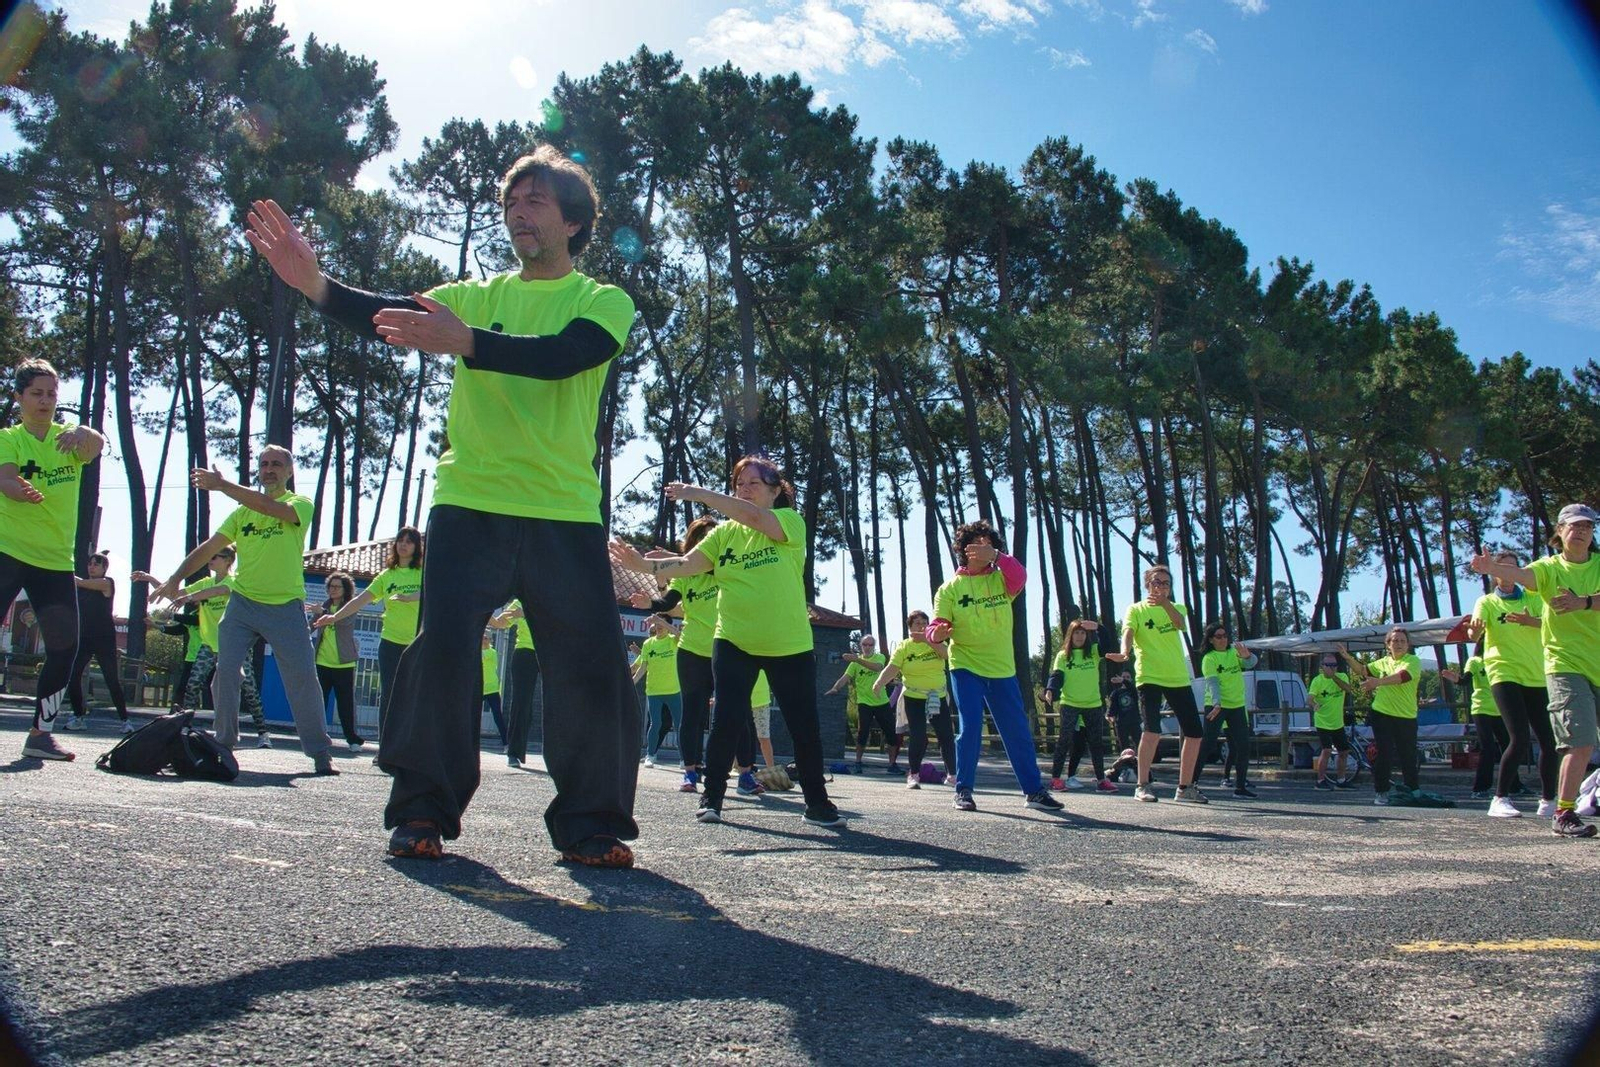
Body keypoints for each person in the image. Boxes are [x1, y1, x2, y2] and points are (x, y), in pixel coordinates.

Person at [247, 146, 640, 866]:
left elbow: (562, 355)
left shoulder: (602, 300)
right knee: (442, 653)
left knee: (589, 664)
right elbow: (386, 315)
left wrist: (469, 344)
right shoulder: (475, 294)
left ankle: (591, 822)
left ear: (575, 220)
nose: (519, 213)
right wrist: (316, 285)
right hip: (470, 502)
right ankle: (422, 811)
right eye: (511, 204)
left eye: (537, 202)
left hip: (564, 511)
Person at [609, 455, 842, 828]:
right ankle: (712, 797)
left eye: (753, 483)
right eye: (739, 484)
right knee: (726, 721)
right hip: (733, 640)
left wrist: (696, 493)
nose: (744, 490)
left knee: (804, 727)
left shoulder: (788, 522)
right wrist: (644, 567)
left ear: (775, 490)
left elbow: (753, 517)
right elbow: (687, 564)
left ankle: (817, 804)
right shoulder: (723, 534)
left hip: (789, 644)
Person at [151, 447, 337, 775]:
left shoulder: (299, 505)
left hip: (284, 606)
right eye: (264, 464)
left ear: (289, 471)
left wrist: (223, 485)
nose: (269, 469)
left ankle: (320, 752)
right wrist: (174, 579)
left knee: (303, 678)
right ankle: (224, 743)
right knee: (225, 670)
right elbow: (208, 548)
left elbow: (269, 506)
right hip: (243, 604)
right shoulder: (241, 515)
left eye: (277, 464)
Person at [0, 359, 105, 761]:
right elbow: (6, 477)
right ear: (19, 398)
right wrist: (16, 490)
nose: (45, 401)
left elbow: (96, 448)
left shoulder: (67, 440)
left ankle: (40, 735)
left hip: (54, 560)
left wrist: (88, 431)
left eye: (51, 394)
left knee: (65, 647)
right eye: (36, 394)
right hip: (7, 551)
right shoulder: (9, 438)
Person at [1471, 510, 1600, 837]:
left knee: (1547, 740)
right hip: (1563, 665)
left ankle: (1549, 799)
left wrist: (1582, 602)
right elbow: (1525, 575)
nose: (1582, 532)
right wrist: (1492, 568)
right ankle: (1561, 810)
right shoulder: (1548, 569)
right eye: (1575, 526)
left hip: (1572, 667)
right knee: (1579, 741)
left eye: (1588, 526)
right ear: (1560, 531)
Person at [926, 519, 1062, 814]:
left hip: (1002, 668)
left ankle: (1034, 792)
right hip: (965, 666)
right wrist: (936, 633)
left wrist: (998, 557)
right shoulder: (949, 589)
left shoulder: (1003, 578)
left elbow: (1022, 576)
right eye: (978, 544)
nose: (984, 548)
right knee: (971, 726)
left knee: (1017, 731)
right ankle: (963, 790)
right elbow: (936, 625)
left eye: (990, 544)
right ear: (964, 550)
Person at [136, 546, 269, 743]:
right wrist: (150, 579)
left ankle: (263, 733)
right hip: (209, 645)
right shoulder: (205, 582)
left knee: (249, 689)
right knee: (193, 685)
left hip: (234, 646)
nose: (210, 559)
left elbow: (219, 590)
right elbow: (176, 593)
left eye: (215, 556)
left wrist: (190, 597)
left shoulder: (234, 581)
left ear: (228, 561)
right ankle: (185, 728)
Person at [1460, 550, 1556, 820]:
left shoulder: (1534, 598)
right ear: (1494, 572)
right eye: (1502, 567)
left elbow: (1551, 623)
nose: (1508, 571)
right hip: (1504, 672)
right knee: (1519, 737)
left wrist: (1530, 621)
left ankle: (1548, 800)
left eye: (1513, 567)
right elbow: (1473, 633)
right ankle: (1500, 798)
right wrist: (1475, 629)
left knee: (1548, 741)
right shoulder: (1487, 602)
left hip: (1536, 674)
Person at [630, 517, 719, 794]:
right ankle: (691, 772)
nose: (707, 542)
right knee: (691, 715)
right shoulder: (685, 575)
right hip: (691, 651)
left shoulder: (726, 570)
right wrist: (650, 603)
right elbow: (667, 602)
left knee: (730, 714)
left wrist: (668, 557)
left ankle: (741, 774)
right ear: (693, 543)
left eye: (712, 537)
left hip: (724, 648)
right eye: (702, 538)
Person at [311, 527, 423, 744]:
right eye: (401, 540)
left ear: (417, 547)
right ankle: (386, 746)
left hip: (417, 642)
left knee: (415, 695)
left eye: (409, 541)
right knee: (389, 695)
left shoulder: (423, 573)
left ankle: (411, 747)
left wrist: (411, 598)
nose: (404, 544)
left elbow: (433, 593)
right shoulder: (387, 575)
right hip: (390, 641)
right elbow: (358, 601)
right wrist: (333, 618)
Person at [1119, 565, 1204, 804]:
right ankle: (1142, 785)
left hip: (1177, 676)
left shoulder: (1177, 607)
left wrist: (1165, 603)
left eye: (1166, 583)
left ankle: (1185, 787)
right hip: (1149, 675)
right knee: (1152, 729)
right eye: (1156, 582)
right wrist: (1124, 652)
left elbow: (1179, 624)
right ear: (1148, 584)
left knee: (1195, 733)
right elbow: (1128, 631)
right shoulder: (1135, 609)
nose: (1161, 587)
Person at [1339, 630, 1423, 806]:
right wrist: (1348, 658)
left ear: (1408, 645)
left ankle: (1412, 790)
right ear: (1388, 645)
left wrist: (1377, 682)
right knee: (1384, 753)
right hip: (1382, 713)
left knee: (1408, 755)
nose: (1398, 643)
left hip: (1406, 716)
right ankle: (1381, 791)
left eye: (1402, 640)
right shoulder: (1382, 663)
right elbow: (1363, 670)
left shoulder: (1413, 661)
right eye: (1395, 640)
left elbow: (1403, 677)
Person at [873, 610, 956, 788]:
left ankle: (952, 775)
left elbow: (946, 654)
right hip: (914, 696)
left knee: (946, 735)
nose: (922, 626)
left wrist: (928, 639)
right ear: (909, 627)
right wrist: (879, 683)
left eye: (925, 622)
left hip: (937, 695)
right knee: (918, 735)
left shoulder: (938, 640)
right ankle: (914, 774)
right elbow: (893, 667)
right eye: (917, 623)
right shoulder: (904, 646)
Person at [1042, 619, 1117, 793]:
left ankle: (1101, 780)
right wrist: (1050, 690)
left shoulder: (1093, 652)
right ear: (1070, 634)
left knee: (1096, 743)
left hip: (1093, 704)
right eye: (1076, 632)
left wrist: (1100, 627)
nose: (1080, 636)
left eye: (1083, 633)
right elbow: (1056, 676)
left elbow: (1107, 644)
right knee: (1064, 741)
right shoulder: (1063, 655)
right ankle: (1055, 779)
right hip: (1070, 703)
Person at [62, 551, 133, 733]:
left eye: (96, 564)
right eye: (90, 563)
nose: (91, 566)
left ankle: (125, 721)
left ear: (104, 568)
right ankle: (78, 717)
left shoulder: (107, 583)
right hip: (85, 638)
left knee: (111, 680)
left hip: (104, 639)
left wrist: (64, 569)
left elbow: (80, 582)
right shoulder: (82, 588)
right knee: (73, 675)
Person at [1197, 623, 1259, 799]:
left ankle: (1240, 787)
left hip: (1237, 706)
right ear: (1211, 639)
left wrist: (1248, 656)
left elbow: (1251, 663)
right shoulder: (1209, 658)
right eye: (1218, 636)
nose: (1223, 639)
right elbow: (1212, 683)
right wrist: (1217, 703)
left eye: (1225, 635)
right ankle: (1190, 784)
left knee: (1243, 747)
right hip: (1216, 706)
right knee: (1207, 745)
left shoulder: (1233, 652)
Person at [1440, 650, 1507, 800]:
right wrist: (1456, 679)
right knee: (1488, 748)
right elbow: (1465, 680)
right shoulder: (1475, 661)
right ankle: (1480, 788)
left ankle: (1514, 786)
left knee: (1510, 746)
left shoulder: (1500, 659)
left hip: (1501, 709)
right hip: (1481, 708)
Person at [829, 634, 901, 773]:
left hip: (882, 702)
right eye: (865, 645)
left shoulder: (879, 657)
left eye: (870, 645)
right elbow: (845, 678)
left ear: (874, 647)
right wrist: (835, 688)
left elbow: (878, 668)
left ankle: (892, 765)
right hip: (864, 703)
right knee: (862, 733)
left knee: (891, 733)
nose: (867, 647)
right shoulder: (854, 664)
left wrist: (857, 660)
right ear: (861, 646)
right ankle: (858, 762)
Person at [310, 572, 364, 751]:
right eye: (330, 587)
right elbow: (311, 627)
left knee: (345, 703)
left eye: (337, 587)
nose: (332, 590)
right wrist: (317, 615)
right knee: (319, 702)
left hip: (343, 664)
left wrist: (323, 613)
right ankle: (317, 737)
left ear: (345, 589)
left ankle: (353, 740)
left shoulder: (349, 607)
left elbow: (343, 622)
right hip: (322, 662)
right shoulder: (324, 606)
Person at [489, 601, 538, 769]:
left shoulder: (552, 591)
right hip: (525, 652)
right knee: (521, 704)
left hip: (550, 652)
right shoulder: (518, 601)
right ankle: (514, 753)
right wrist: (485, 613)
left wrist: (525, 612)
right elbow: (500, 623)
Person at [633, 614, 682, 767]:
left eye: (661, 624)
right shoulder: (648, 643)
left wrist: (663, 622)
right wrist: (631, 684)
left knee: (680, 724)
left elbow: (680, 635)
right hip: (654, 691)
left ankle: (684, 758)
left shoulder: (673, 641)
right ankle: (650, 755)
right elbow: (642, 667)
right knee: (656, 723)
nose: (659, 627)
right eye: (656, 624)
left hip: (674, 691)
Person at [1308, 655, 1358, 789]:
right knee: (1327, 750)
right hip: (1323, 722)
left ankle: (1341, 780)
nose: (1331, 668)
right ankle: (1320, 781)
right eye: (1328, 665)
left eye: (1334, 665)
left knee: (1343, 752)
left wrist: (1334, 677)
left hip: (1337, 722)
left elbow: (1348, 689)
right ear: (1322, 666)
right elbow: (1310, 698)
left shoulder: (1341, 677)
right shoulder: (1317, 681)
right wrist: (1314, 705)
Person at [481, 631, 506, 748]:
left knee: (497, 716)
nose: (484, 640)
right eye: (482, 638)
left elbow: (482, 656)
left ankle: (506, 742)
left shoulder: (492, 652)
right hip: (480, 689)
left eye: (486, 638)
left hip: (492, 690)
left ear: (490, 640)